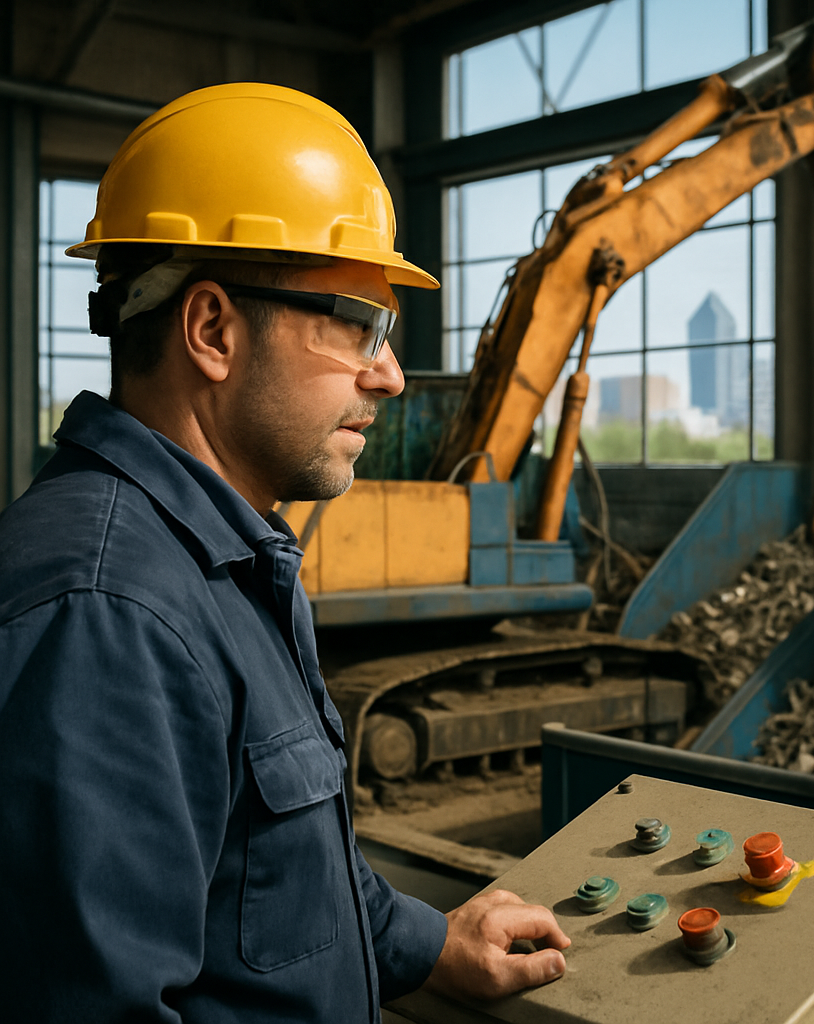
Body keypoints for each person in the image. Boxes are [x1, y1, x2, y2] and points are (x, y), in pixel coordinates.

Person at [0, 83, 569, 1023]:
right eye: (359, 324)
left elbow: (268, 878)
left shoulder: (223, 559)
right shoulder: (106, 616)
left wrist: (427, 942)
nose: (386, 372)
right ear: (213, 329)